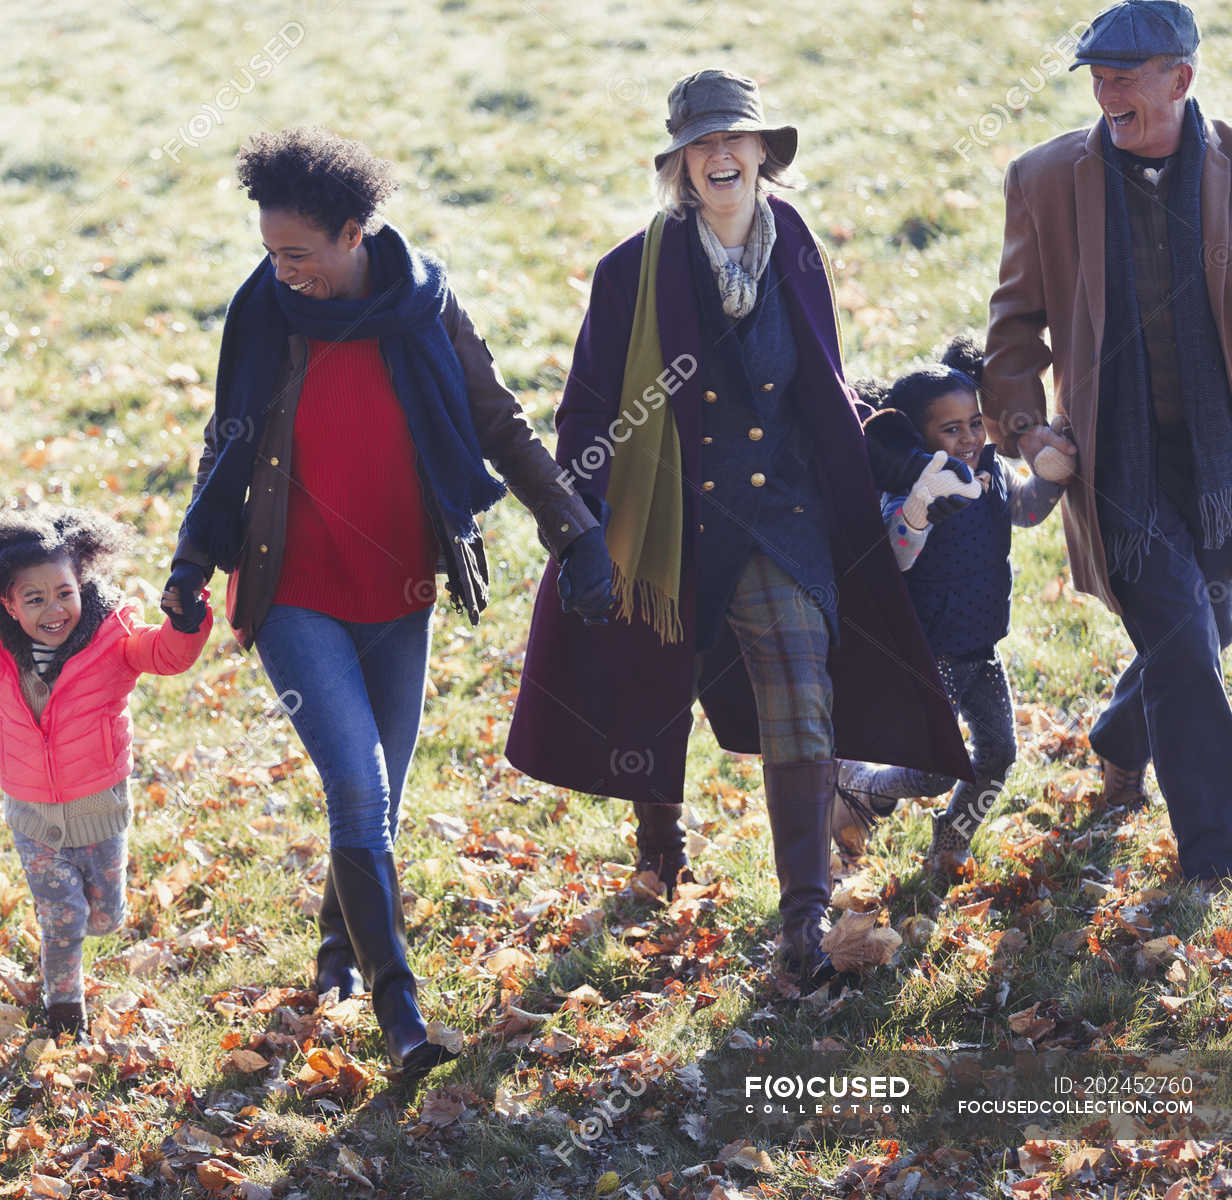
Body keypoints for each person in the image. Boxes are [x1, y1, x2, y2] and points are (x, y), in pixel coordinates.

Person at [506, 70, 973, 985]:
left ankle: (803, 918)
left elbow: (824, 386)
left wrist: (896, 468)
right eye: (701, 144)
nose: (720, 157)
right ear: (679, 164)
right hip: (666, 523)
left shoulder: (795, 243)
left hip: (783, 523)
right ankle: (659, 843)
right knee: (649, 686)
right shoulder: (627, 273)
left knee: (803, 700)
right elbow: (591, 414)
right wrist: (583, 534)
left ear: (765, 152)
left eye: (736, 140)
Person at [163, 128, 611, 1079]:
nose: (278, 270)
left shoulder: (425, 306)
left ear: (355, 232)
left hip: (400, 589)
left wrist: (573, 527)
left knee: (381, 801)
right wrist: (193, 561)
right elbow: (227, 441)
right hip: (293, 592)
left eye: (297, 253)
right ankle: (400, 1011)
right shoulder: (265, 314)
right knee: (359, 791)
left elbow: (499, 421)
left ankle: (339, 957)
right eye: (268, 251)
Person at [983, 0, 1232, 882]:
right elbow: (1013, 329)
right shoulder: (1047, 177)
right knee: (1183, 630)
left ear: (1182, 79)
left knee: (1205, 624)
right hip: (1114, 459)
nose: (1106, 91)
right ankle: (1212, 856)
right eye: (1097, 74)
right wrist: (1026, 426)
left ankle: (1118, 732)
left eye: (1127, 74)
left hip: (1221, 458)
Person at [0, 506, 211, 1035]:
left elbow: (164, 654)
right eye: (35, 598)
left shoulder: (113, 634)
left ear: (82, 583)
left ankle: (97, 926)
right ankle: (65, 1007)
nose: (53, 609)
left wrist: (184, 624)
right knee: (61, 917)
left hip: (99, 803)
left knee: (103, 917)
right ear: (8, 602)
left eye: (64, 593)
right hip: (32, 809)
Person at [834, 337, 1071, 880]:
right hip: (924, 651)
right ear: (916, 437)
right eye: (950, 429)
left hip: (978, 645)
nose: (968, 438)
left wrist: (1052, 479)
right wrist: (920, 509)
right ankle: (862, 782)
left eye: (974, 424)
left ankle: (951, 840)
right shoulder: (906, 489)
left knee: (998, 753)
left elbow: (1025, 513)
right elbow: (894, 556)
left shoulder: (989, 469)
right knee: (938, 770)